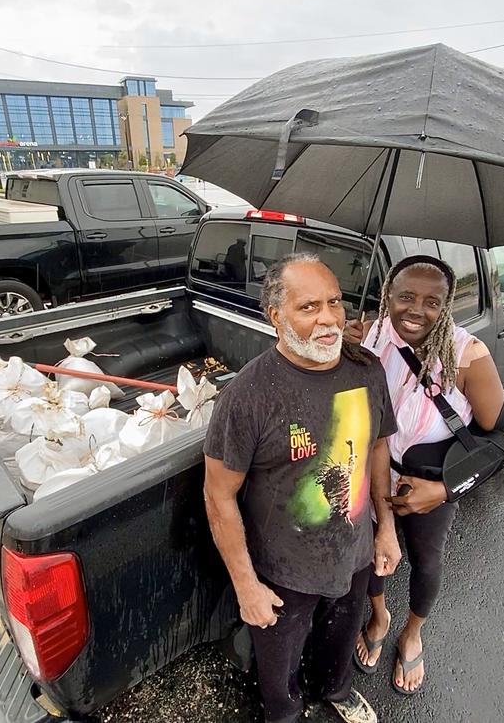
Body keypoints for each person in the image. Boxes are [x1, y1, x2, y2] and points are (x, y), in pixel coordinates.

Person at [204, 252, 402, 723]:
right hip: (282, 571)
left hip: (352, 553)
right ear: (276, 316)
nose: (330, 319)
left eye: (335, 302)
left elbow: (377, 447)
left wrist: (385, 526)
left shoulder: (367, 368)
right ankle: (285, 714)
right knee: (279, 669)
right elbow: (219, 496)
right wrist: (246, 584)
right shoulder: (248, 396)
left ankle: (335, 690)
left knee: (339, 642)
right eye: (309, 307)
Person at [345, 254, 504, 695]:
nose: (416, 310)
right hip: (372, 471)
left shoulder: (467, 355)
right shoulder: (372, 334)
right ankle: (379, 614)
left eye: (432, 301)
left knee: (426, 560)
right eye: (405, 297)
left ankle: (412, 631)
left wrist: (442, 490)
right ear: (387, 297)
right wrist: (343, 343)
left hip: (427, 482)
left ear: (448, 305)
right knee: (369, 552)